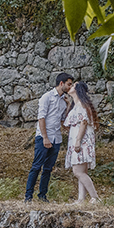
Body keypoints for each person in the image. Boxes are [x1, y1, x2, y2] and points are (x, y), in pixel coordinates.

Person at [24, 72, 74, 202]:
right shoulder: (46, 97)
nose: (70, 87)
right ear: (61, 83)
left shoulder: (64, 100)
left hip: (56, 138)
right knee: (36, 166)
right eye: (69, 84)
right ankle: (28, 196)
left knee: (48, 168)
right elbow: (41, 118)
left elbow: (63, 120)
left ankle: (42, 196)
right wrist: (45, 137)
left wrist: (69, 106)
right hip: (44, 137)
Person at [64, 82, 100, 204]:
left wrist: (78, 141)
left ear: (78, 90)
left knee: (78, 172)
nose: (70, 87)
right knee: (82, 172)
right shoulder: (77, 106)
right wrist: (68, 104)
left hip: (82, 140)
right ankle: (81, 199)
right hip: (78, 140)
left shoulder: (82, 106)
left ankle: (95, 197)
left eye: (73, 86)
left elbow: (83, 123)